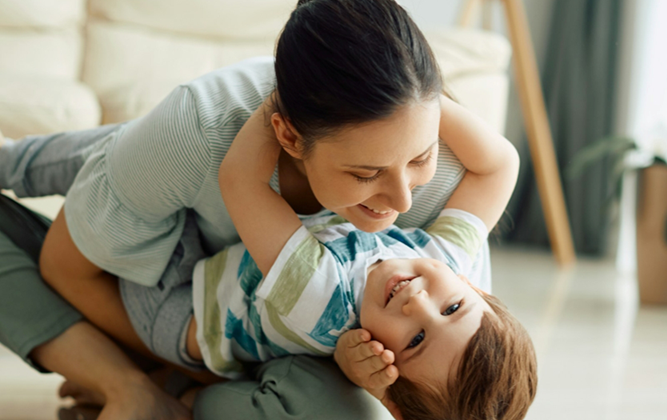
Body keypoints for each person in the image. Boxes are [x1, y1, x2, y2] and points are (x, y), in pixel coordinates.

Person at [0, 0, 506, 418]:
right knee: (113, 159)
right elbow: (71, 265)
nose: (403, 201)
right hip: (178, 298)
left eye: (420, 157)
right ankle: (151, 385)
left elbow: (431, 380)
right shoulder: (201, 125)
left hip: (207, 327)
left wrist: (356, 370)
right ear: (286, 134)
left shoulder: (340, 295)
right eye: (364, 173)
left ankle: (175, 391)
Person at [108, 91, 537, 419]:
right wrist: (415, 101)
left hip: (177, 310)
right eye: (454, 307)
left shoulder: (324, 299)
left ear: (383, 378)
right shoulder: (446, 263)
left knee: (121, 169)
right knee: (122, 147)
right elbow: (500, 165)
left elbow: (241, 182)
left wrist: (284, 96)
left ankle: (174, 387)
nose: (418, 302)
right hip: (225, 276)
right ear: (474, 286)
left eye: (416, 339)